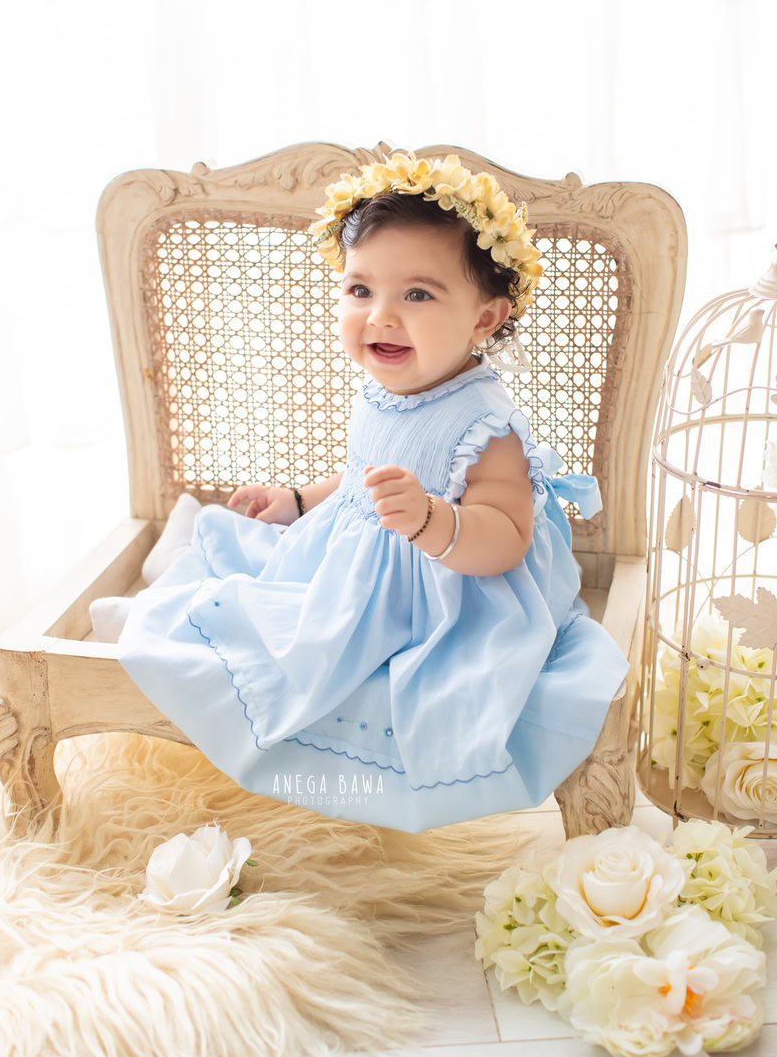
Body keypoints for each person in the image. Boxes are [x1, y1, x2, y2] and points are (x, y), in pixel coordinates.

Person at [112, 150, 630, 832]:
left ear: (484, 318)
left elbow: (505, 537)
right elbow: (363, 475)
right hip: (363, 554)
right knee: (260, 604)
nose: (381, 316)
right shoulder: (382, 388)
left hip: (451, 590)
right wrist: (301, 500)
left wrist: (432, 521)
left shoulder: (488, 425)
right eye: (361, 290)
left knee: (383, 674)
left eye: (417, 294)